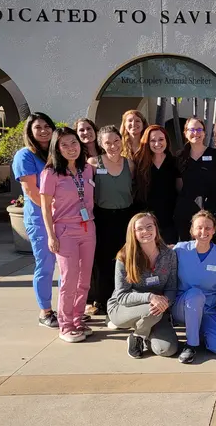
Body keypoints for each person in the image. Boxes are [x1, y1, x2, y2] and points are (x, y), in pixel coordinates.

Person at [39, 127, 96, 343]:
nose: (71, 149)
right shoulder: (50, 173)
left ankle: (79, 318)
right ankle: (66, 324)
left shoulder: (86, 170)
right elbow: (45, 208)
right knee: (69, 279)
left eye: (74, 143)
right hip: (65, 230)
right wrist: (51, 235)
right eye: (64, 145)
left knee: (84, 279)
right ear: (57, 148)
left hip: (88, 227)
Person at [107, 212, 179, 359]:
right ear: (133, 233)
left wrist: (166, 303)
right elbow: (122, 296)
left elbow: (171, 287)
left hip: (157, 309)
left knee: (168, 350)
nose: (146, 232)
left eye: (149, 226)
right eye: (140, 229)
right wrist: (150, 297)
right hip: (123, 308)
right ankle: (139, 334)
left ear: (156, 228)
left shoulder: (169, 255)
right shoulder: (124, 257)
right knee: (151, 311)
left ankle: (141, 332)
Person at [13, 112, 59, 328]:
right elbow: (32, 192)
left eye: (47, 126)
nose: (43, 130)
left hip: (64, 218)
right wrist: (56, 211)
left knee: (68, 267)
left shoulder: (55, 153)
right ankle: (45, 311)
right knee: (46, 265)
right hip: (41, 220)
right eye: (38, 127)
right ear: (29, 131)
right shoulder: (25, 156)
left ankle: (67, 309)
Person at [86, 126, 136, 318]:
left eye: (116, 141)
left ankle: (123, 297)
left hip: (125, 217)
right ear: (100, 144)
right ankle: (102, 299)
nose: (113, 146)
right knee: (102, 261)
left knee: (123, 260)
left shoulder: (129, 164)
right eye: (107, 142)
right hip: (102, 217)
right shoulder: (93, 163)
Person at [172, 210, 216, 363]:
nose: (203, 232)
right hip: (182, 307)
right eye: (199, 227)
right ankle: (191, 345)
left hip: (208, 308)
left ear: (214, 230)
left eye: (208, 228)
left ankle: (199, 329)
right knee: (196, 295)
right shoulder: (180, 250)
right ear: (192, 230)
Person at [175, 118, 216, 241]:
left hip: (212, 212)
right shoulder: (180, 157)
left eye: (199, 129)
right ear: (185, 133)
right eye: (192, 129)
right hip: (187, 213)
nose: (196, 133)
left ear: (204, 133)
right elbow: (179, 186)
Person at [133, 125, 181, 244]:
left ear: (166, 141)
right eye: (153, 140)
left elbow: (180, 189)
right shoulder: (138, 163)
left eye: (161, 139)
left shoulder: (174, 162)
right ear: (147, 142)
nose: (157, 143)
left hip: (169, 220)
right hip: (145, 220)